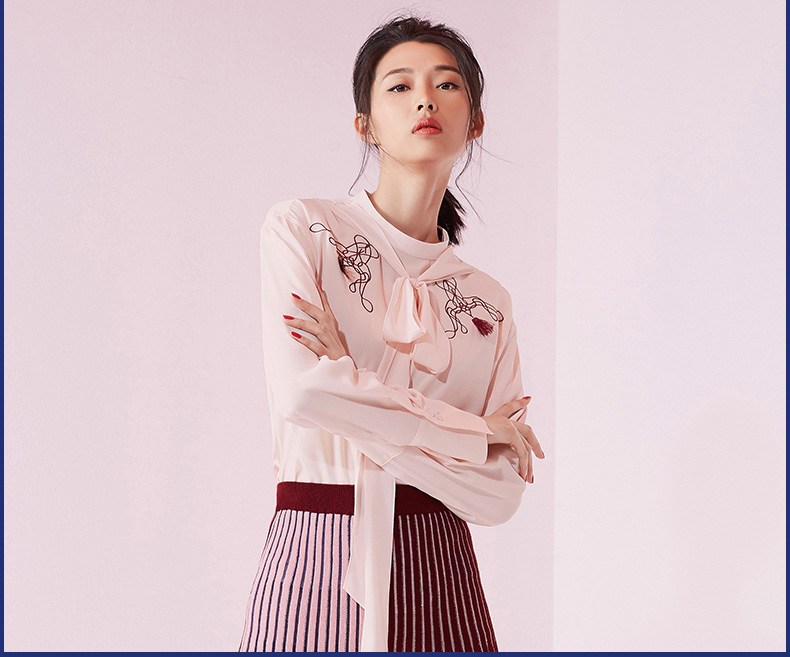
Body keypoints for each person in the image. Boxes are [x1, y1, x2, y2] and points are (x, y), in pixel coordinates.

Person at [238, 13, 544, 653]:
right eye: (400, 86)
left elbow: (498, 495)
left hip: (442, 573)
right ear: (365, 124)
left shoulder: (488, 302)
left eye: (446, 84)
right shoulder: (305, 231)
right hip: (314, 553)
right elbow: (302, 394)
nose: (425, 99)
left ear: (475, 120)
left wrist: (351, 390)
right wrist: (473, 432)